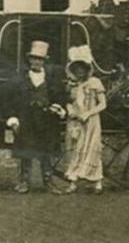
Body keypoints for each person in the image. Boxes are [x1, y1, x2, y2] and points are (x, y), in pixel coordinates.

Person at [6, 40, 67, 194]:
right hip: (26, 118)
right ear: (30, 60)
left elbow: (59, 96)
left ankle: (48, 182)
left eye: (39, 59)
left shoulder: (51, 79)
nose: (36, 62)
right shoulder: (21, 78)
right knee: (26, 151)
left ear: (44, 61)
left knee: (46, 151)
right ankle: (24, 182)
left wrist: (57, 106)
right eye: (34, 59)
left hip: (46, 120)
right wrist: (13, 117)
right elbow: (12, 99)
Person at [59, 46, 107, 194]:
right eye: (77, 69)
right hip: (75, 121)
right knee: (75, 149)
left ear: (87, 69)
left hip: (91, 121)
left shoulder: (94, 82)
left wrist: (88, 114)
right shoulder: (72, 85)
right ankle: (73, 182)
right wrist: (71, 111)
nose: (80, 72)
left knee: (92, 148)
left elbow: (103, 104)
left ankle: (97, 182)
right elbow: (68, 101)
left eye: (82, 68)